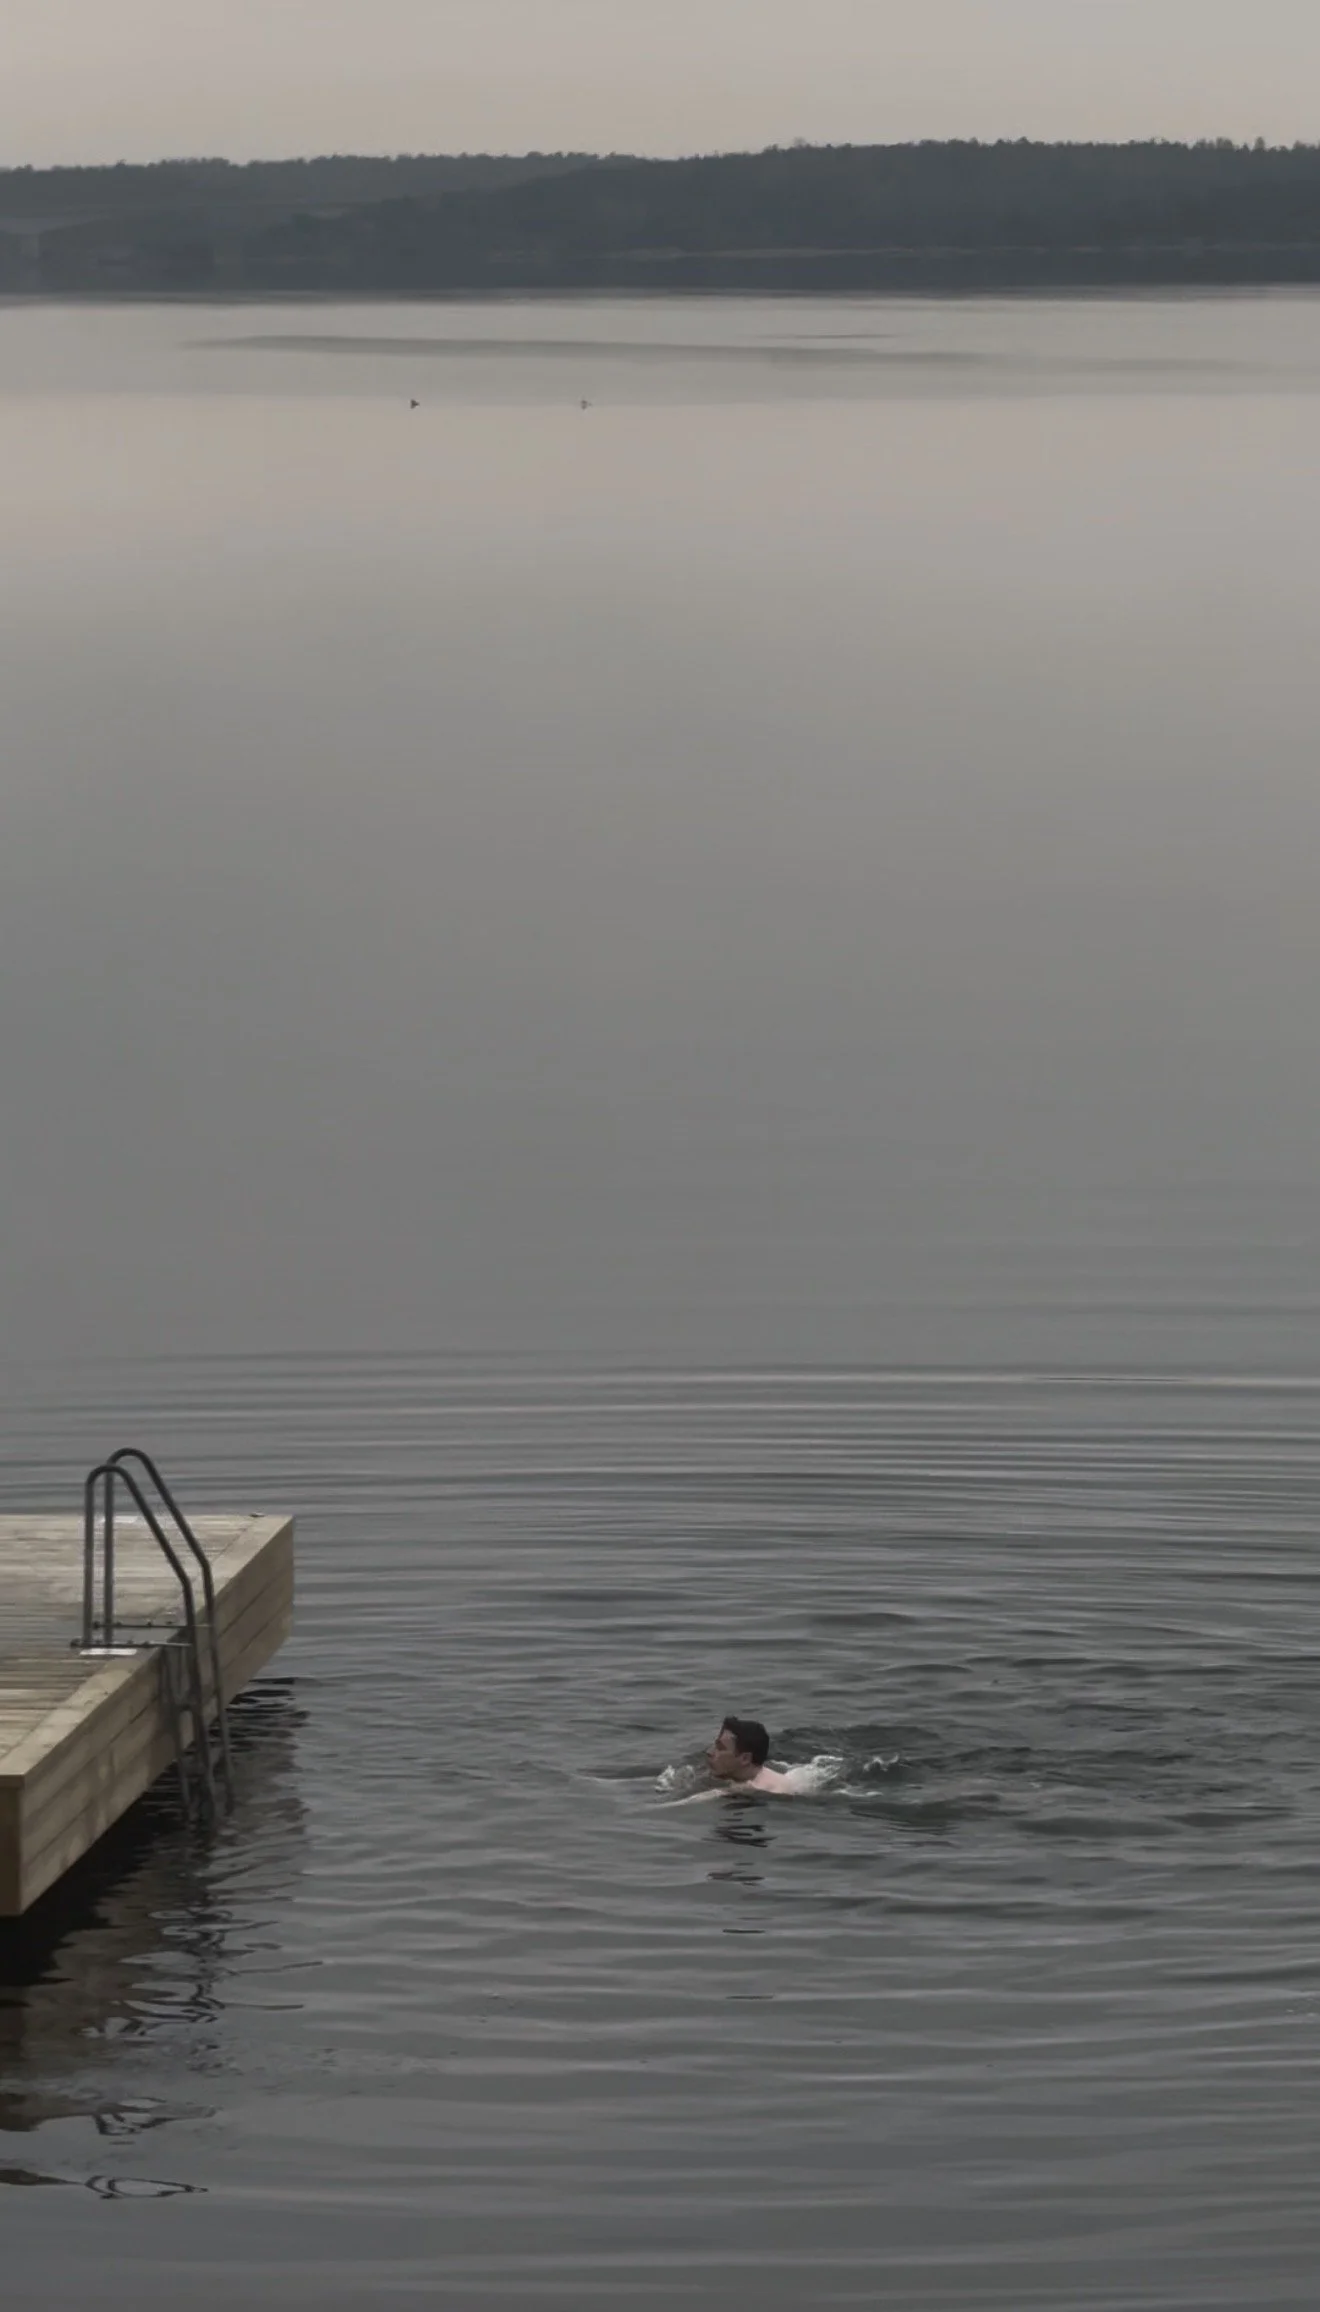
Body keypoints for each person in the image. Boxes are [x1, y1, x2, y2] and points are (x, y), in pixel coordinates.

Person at [706, 1716, 795, 1794]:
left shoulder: (776, 1790)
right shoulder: (733, 1778)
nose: (709, 1752)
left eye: (720, 1748)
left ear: (745, 1758)